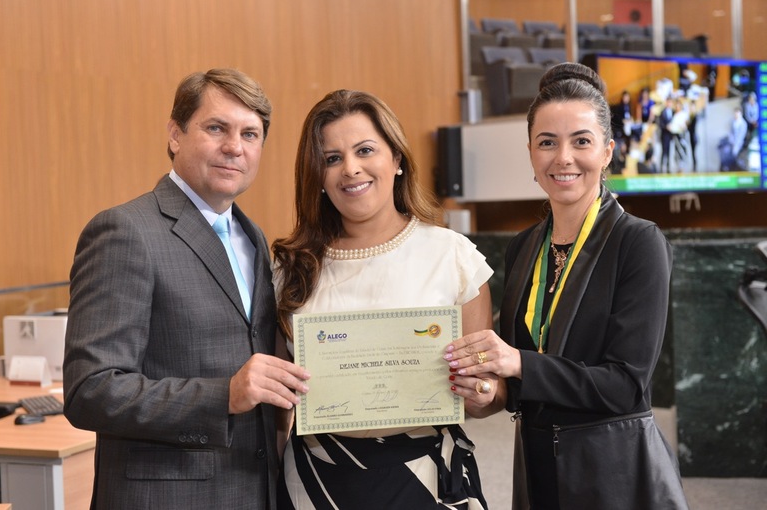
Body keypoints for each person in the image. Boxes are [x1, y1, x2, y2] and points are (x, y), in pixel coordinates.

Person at [442, 63, 688, 509]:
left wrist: (517, 363)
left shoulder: (639, 242)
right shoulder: (523, 247)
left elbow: (625, 385)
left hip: (612, 468)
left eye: (581, 141)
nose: (563, 158)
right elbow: (522, 378)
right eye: (547, 142)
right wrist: (488, 391)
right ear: (531, 153)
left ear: (608, 151)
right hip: (536, 465)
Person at [62, 68, 310, 510]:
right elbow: (90, 392)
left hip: (253, 492)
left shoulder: (253, 237)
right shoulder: (125, 231)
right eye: (216, 128)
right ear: (175, 135)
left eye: (250, 134)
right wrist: (223, 395)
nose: (234, 147)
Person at [271, 89, 505, 509]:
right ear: (318, 176)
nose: (350, 169)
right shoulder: (291, 268)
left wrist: (484, 392)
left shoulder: (452, 257)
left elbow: (491, 394)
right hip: (314, 481)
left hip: (425, 477)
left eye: (365, 150)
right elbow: (277, 409)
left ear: (396, 159)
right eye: (332, 158)